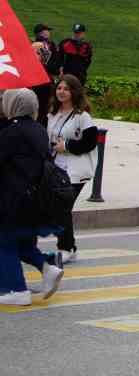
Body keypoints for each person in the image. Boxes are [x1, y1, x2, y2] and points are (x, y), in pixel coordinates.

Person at [1, 89, 66, 306]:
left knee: (4, 243)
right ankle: (48, 269)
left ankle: (15, 289)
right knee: (22, 243)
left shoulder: (12, 132)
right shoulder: (38, 129)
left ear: (13, 105)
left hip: (14, 199)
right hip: (34, 198)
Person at [44, 75, 97, 262]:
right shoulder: (52, 113)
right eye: (59, 88)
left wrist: (66, 146)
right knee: (58, 207)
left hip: (76, 172)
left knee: (62, 207)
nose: (61, 92)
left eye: (66, 89)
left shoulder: (82, 116)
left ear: (74, 91)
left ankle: (67, 247)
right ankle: (69, 246)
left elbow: (90, 142)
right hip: (56, 169)